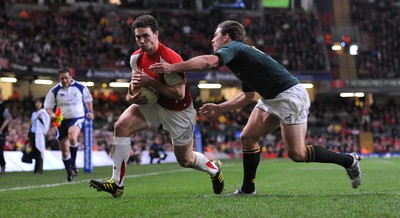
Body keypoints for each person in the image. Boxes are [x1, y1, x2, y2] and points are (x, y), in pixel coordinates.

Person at [149, 20, 362, 194]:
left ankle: (349, 160)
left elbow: (209, 62)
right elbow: (249, 96)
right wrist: (220, 108)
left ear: (226, 37)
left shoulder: (234, 48)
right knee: (248, 137)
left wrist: (172, 67)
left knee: (297, 153)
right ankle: (248, 189)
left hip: (288, 96)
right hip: (271, 98)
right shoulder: (241, 57)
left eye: (216, 35)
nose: (212, 39)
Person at [89, 15, 224, 198]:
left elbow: (179, 94)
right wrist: (130, 95)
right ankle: (117, 184)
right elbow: (134, 84)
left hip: (179, 110)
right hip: (153, 103)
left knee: (186, 160)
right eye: (138, 37)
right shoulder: (136, 58)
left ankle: (214, 170)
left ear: (156, 34)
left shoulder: (169, 58)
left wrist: (151, 82)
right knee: (120, 126)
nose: (142, 41)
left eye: (146, 36)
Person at [44, 67, 94, 182]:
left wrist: (90, 111)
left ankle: (73, 163)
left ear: (71, 77)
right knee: (65, 150)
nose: (65, 80)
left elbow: (88, 99)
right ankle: (69, 173)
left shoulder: (80, 87)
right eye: (62, 78)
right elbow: (47, 106)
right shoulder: (55, 90)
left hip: (76, 118)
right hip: (61, 121)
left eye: (66, 78)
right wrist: (52, 114)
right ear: (59, 78)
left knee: (72, 136)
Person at [29, 98, 51, 174]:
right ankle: (36, 169)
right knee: (35, 151)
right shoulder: (34, 113)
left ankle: (40, 169)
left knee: (40, 151)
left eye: (39, 103)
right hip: (33, 132)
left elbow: (46, 123)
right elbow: (31, 123)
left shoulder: (43, 113)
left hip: (40, 133)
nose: (38, 104)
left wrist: (40, 119)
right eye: (36, 103)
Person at [0, 95, 11, 174]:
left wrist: (1, 129)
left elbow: (7, 119)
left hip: (1, 133)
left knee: (0, 150)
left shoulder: (3, 107)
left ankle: (2, 165)